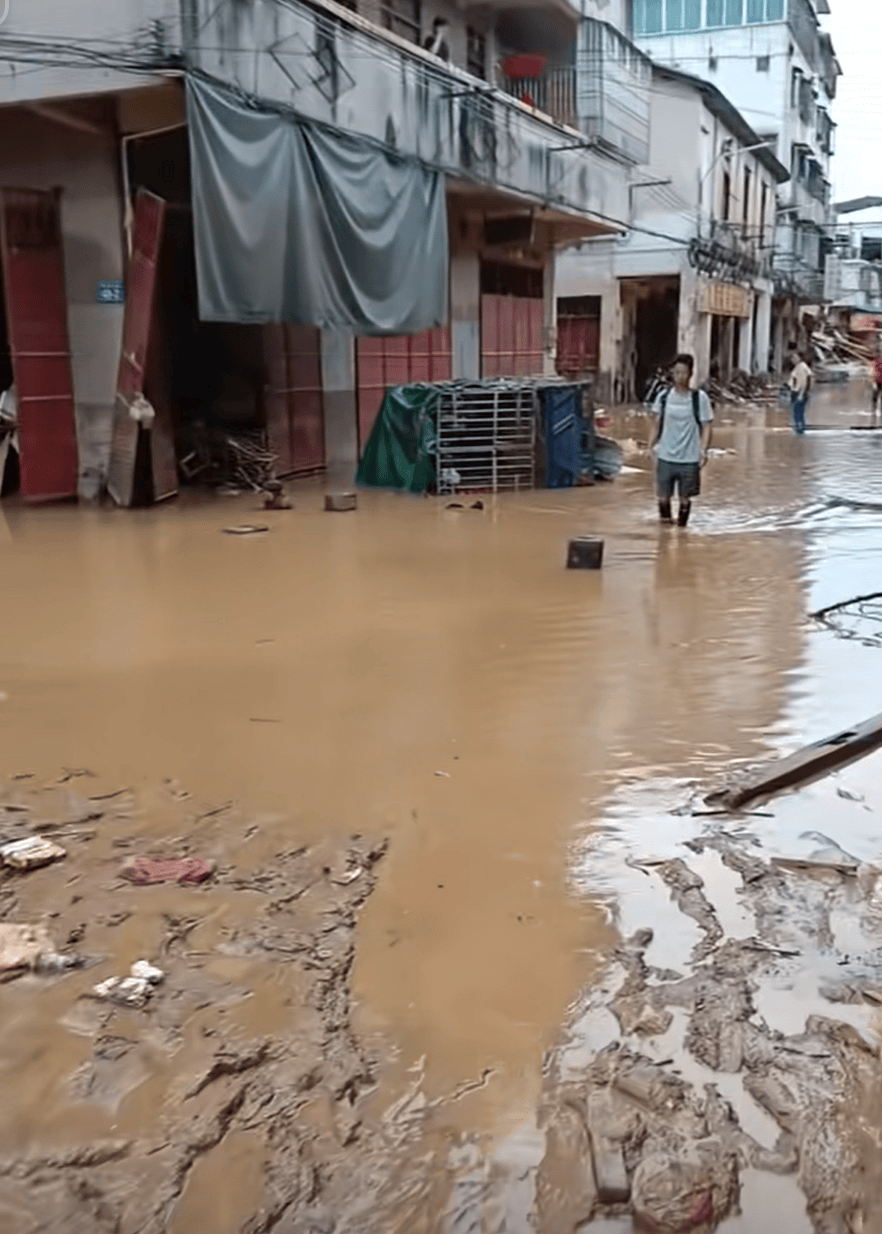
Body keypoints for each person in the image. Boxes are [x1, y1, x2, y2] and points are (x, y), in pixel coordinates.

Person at [649, 354, 713, 528]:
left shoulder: (699, 399)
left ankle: (682, 533)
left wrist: (703, 450)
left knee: (685, 499)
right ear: (672, 374)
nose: (680, 377)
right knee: (663, 498)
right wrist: (650, 447)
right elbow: (656, 424)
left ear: (690, 374)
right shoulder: (663, 397)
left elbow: (707, 426)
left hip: (689, 459)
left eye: (684, 373)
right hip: (665, 456)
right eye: (676, 373)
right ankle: (665, 534)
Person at [788, 352, 812, 435]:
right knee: (798, 412)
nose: (793, 360)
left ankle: (800, 430)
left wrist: (801, 393)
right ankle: (800, 429)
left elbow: (804, 382)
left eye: (795, 357)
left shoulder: (801, 367)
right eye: (792, 358)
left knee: (797, 412)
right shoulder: (798, 367)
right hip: (797, 392)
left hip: (799, 392)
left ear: (799, 358)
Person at [871, 346, 882, 422]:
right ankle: (875, 409)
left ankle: (875, 409)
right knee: (876, 395)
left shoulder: (875, 360)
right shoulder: (876, 360)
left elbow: (873, 370)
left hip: (877, 380)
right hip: (877, 380)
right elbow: (873, 370)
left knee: (876, 395)